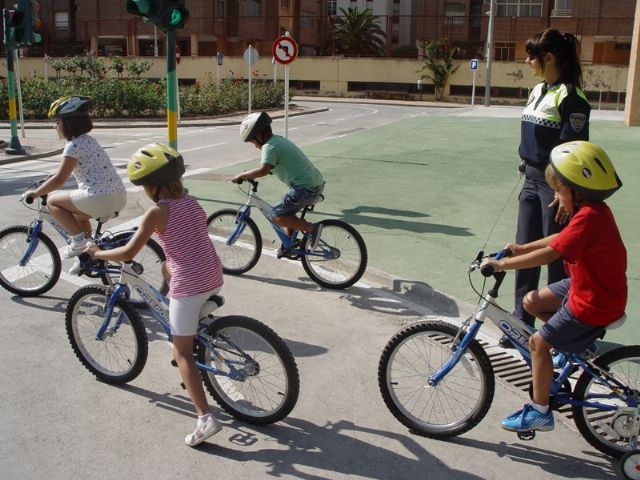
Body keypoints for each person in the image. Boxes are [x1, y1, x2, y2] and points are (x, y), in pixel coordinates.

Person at [86, 143, 225, 447]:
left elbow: (129, 252)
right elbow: (186, 238)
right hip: (213, 275)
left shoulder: (156, 212)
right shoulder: (192, 202)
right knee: (165, 265)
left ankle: (205, 418)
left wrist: (98, 253)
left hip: (190, 285)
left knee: (182, 353)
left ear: (152, 186)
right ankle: (197, 321)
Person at [483, 140, 626, 432]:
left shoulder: (589, 218)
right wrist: (520, 248)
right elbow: (555, 241)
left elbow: (552, 253)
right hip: (586, 286)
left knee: (538, 343)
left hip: (593, 300)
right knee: (531, 302)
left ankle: (539, 411)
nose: (556, 197)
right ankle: (575, 345)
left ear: (578, 190)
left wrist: (503, 265)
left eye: (559, 190)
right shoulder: (591, 211)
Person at [503, 28, 592, 349]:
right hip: (530, 179)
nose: (527, 61)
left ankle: (557, 329)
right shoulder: (539, 90)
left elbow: (574, 149)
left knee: (555, 258)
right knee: (524, 248)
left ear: (550, 58)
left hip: (555, 186)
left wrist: (563, 191)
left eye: (532, 56)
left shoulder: (572, 98)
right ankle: (520, 322)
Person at [25, 96, 127, 273]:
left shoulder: (73, 146)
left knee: (53, 201)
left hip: (99, 197)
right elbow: (75, 167)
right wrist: (54, 173)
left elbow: (59, 180)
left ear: (68, 123)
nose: (55, 126)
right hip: (118, 196)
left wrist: (35, 193)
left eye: (57, 122)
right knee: (79, 217)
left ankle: (79, 241)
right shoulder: (88, 140)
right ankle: (87, 254)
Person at [231, 111, 325, 251]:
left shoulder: (269, 146)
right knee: (287, 212)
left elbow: (263, 170)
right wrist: (250, 174)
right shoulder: (278, 140)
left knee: (276, 215)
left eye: (252, 141)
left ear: (259, 135)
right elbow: (269, 168)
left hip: (304, 188)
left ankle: (312, 229)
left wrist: (242, 175)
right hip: (315, 184)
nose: (255, 146)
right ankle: (290, 245)